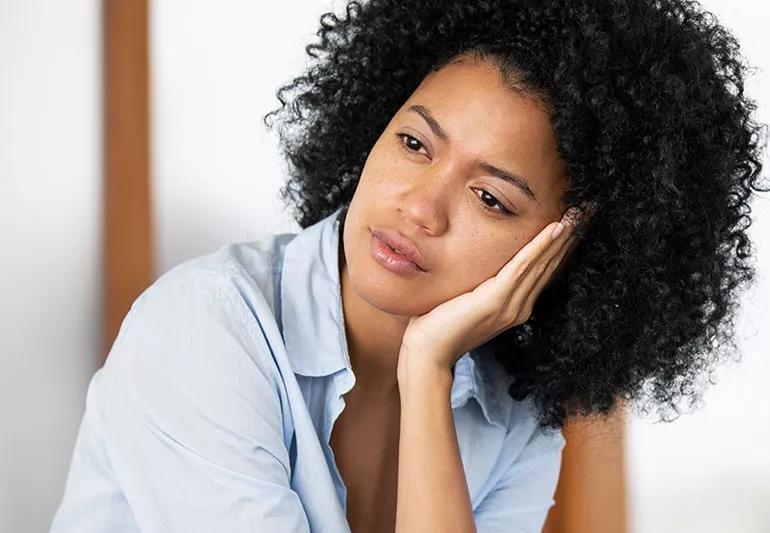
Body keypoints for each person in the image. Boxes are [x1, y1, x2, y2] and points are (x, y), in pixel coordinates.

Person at [51, 0, 767, 532]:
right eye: (415, 144)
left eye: (489, 197)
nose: (421, 208)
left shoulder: (513, 418)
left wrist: (426, 370)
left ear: (558, 253)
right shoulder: (204, 330)